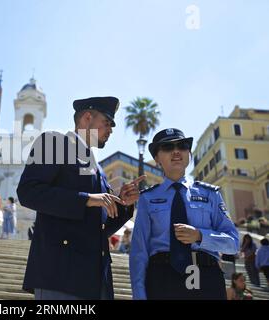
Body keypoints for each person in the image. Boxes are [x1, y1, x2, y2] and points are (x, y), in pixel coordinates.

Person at [17, 96, 143, 300]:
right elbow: (28, 192)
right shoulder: (54, 142)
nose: (111, 129)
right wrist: (87, 199)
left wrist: (124, 203)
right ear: (87, 117)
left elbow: (100, 228)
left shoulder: (98, 169)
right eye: (107, 122)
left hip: (95, 279)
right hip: (59, 275)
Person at [130, 128, 239, 300]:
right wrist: (139, 294)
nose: (176, 152)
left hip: (207, 277)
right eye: (167, 147)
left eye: (182, 146)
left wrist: (200, 236)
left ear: (188, 153)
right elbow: (139, 251)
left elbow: (233, 243)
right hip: (161, 278)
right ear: (157, 158)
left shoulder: (210, 194)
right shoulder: (147, 198)